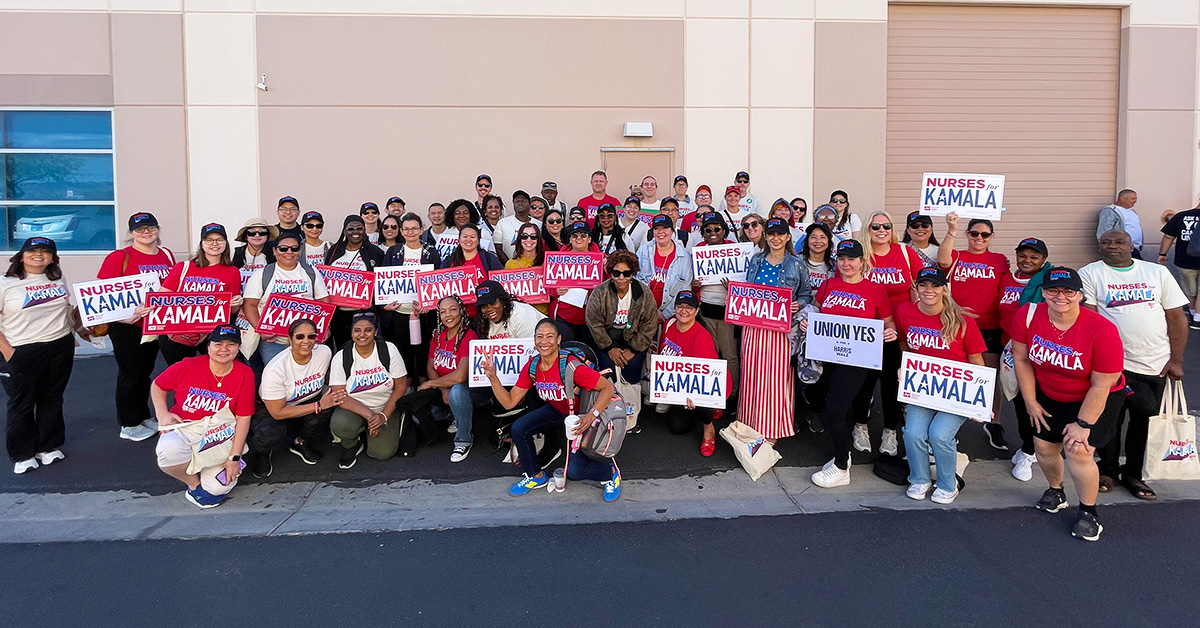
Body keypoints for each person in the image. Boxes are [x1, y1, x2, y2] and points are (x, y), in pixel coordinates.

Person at [1011, 267, 1126, 541]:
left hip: (1095, 396)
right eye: (1053, 290)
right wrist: (1030, 401)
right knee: (1044, 446)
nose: (1060, 296)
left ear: (1080, 295)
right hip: (1050, 391)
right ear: (1043, 292)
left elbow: (1103, 383)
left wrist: (1083, 424)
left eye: (1068, 291)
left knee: (1079, 450)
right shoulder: (1028, 315)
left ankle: (1089, 512)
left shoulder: (1102, 330)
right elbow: (1021, 358)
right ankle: (1056, 490)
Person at [1081, 230, 1189, 501]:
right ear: (1099, 247)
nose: (1112, 247)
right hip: (1113, 366)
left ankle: (1133, 474)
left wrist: (1176, 360)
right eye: (1106, 243)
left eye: (1119, 242)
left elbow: (1175, 317)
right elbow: (1091, 321)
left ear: (1131, 246)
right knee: (1109, 421)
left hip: (1156, 364)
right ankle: (1107, 470)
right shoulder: (1091, 273)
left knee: (1145, 420)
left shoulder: (1157, 273)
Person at [484, 318, 622, 502]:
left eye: (550, 336)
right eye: (539, 336)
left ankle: (611, 472)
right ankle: (536, 476)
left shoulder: (571, 366)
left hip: (580, 416)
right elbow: (509, 402)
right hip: (559, 411)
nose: (544, 341)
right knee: (519, 428)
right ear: (534, 340)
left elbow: (607, 388)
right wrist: (493, 377)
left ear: (558, 340)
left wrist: (591, 416)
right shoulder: (533, 366)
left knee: (575, 471)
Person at [807, 240, 896, 488]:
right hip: (827, 356)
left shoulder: (875, 290)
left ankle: (841, 467)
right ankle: (842, 453)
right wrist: (808, 321)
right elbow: (815, 311)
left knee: (835, 410)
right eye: (842, 259)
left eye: (852, 259)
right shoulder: (828, 285)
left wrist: (890, 333)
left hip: (856, 359)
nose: (846, 264)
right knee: (837, 409)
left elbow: (888, 322)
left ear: (862, 262)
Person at [895, 267, 987, 504]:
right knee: (913, 432)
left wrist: (980, 402)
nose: (929, 290)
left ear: (944, 289)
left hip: (955, 391)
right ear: (916, 288)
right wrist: (905, 366)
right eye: (923, 285)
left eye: (935, 285)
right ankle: (920, 478)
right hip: (923, 387)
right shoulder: (905, 311)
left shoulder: (962, 319)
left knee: (938, 435)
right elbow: (904, 343)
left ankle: (948, 483)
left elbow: (977, 362)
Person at [2, 237, 88, 474]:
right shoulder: (5, 284)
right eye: (33, 250)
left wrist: (84, 324)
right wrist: (9, 352)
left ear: (53, 258)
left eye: (45, 251)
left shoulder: (57, 279)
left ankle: (48, 446)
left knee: (52, 397)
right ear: (21, 256)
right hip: (21, 349)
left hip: (59, 345)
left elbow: (67, 310)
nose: (39, 255)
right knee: (22, 403)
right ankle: (22, 453)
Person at [150, 324, 254, 508]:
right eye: (218, 343)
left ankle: (214, 465)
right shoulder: (188, 365)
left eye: (231, 344)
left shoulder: (244, 373)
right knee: (167, 451)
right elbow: (158, 385)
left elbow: (243, 417)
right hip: (186, 426)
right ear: (208, 346)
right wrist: (162, 414)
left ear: (238, 348)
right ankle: (193, 483)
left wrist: (234, 458)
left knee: (217, 489)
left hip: (220, 433)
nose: (224, 349)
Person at [96, 212, 176, 442]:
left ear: (158, 229)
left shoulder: (167, 254)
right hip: (129, 326)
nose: (146, 232)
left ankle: (143, 415)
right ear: (131, 233)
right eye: (140, 229)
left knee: (145, 372)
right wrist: (125, 317)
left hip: (156, 324)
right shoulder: (119, 257)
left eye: (150, 227)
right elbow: (103, 296)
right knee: (130, 373)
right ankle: (129, 423)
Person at [938, 212, 1010, 451]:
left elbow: (1006, 289)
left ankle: (994, 421)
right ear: (968, 234)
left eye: (985, 234)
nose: (979, 238)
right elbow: (943, 259)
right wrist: (952, 229)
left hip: (990, 325)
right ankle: (950, 427)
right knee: (956, 374)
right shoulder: (958, 256)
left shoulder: (999, 260)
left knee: (990, 376)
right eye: (975, 233)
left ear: (991, 237)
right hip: (959, 324)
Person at [740, 219, 812, 443]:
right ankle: (749, 423)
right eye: (771, 234)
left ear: (788, 237)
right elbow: (748, 290)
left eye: (780, 234)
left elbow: (806, 294)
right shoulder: (757, 260)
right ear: (766, 236)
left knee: (776, 379)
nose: (775, 238)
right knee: (752, 375)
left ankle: (771, 428)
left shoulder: (797, 264)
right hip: (754, 328)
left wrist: (797, 305)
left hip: (782, 330)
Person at [858, 210, 924, 455]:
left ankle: (889, 431)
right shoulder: (861, 255)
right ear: (868, 229)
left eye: (886, 225)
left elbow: (929, 282)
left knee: (891, 382)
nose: (881, 230)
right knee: (864, 382)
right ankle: (860, 426)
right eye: (876, 227)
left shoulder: (905, 252)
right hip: (864, 330)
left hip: (898, 330)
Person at [248, 318, 343, 478]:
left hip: (307, 400)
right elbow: (277, 413)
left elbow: (325, 377)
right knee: (268, 432)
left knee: (330, 404)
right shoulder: (276, 369)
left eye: (311, 336)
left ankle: (301, 442)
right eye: (300, 337)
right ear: (289, 339)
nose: (306, 341)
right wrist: (319, 405)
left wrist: (330, 393)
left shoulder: (324, 352)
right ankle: (263, 453)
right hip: (275, 408)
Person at [997, 237, 1053, 481]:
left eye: (1034, 256)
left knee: (1037, 404)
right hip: (1010, 350)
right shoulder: (1006, 279)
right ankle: (1026, 446)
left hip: (1039, 353)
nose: (1027, 260)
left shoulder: (1049, 283)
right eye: (1023, 255)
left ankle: (1031, 452)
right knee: (1020, 403)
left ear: (1043, 260)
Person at [155, 223, 243, 365]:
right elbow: (161, 298)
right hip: (177, 332)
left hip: (210, 334)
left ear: (226, 243)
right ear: (202, 244)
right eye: (209, 240)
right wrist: (144, 307)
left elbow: (231, 311)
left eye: (220, 239)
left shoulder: (232, 271)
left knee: (214, 373)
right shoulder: (183, 267)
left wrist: (235, 304)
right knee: (180, 376)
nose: (215, 244)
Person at [329, 312, 408, 468]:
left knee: (382, 453)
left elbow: (401, 386)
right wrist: (371, 416)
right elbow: (339, 395)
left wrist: (383, 416)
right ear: (351, 334)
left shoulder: (388, 349)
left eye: (368, 330)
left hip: (385, 406)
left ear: (376, 332)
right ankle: (352, 444)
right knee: (340, 424)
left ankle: (381, 426)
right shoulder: (341, 356)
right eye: (357, 330)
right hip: (355, 409)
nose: (362, 335)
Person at [657, 291, 729, 456]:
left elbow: (707, 381)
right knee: (677, 427)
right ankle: (705, 411)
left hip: (705, 385)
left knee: (702, 400)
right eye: (680, 306)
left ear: (697, 311)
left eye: (689, 307)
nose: (684, 310)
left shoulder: (701, 336)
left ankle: (709, 428)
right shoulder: (669, 325)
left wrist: (692, 395)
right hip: (680, 385)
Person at [242, 233, 330, 365]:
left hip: (306, 341)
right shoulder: (262, 274)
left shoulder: (311, 272)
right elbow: (249, 305)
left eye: (294, 248)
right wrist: (261, 330)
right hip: (275, 342)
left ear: (299, 251)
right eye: (283, 248)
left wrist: (326, 327)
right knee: (278, 377)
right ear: (274, 251)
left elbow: (323, 301)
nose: (289, 252)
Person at [417, 295, 481, 463]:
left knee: (457, 392)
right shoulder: (438, 335)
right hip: (444, 389)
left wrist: (432, 383)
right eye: (443, 311)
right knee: (420, 413)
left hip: (469, 389)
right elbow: (430, 366)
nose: (448, 315)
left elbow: (460, 376)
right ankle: (455, 414)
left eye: (453, 309)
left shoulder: (469, 336)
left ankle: (463, 439)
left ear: (461, 311)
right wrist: (442, 389)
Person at [586, 250, 659, 390]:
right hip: (607, 337)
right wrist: (609, 348)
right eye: (616, 273)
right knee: (608, 367)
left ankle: (631, 405)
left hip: (633, 337)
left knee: (633, 366)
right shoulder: (600, 292)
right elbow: (594, 323)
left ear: (632, 274)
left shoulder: (644, 293)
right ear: (610, 273)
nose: (621, 277)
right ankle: (609, 403)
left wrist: (633, 349)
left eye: (626, 273)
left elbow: (649, 324)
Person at [382, 212, 442, 381]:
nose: (410, 232)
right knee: (403, 349)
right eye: (406, 229)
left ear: (421, 229)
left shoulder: (431, 252)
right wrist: (384, 305)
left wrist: (429, 304)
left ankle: (423, 382)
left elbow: (437, 281)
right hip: (400, 311)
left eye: (414, 228)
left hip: (423, 311)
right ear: (401, 231)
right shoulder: (394, 252)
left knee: (424, 349)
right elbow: (383, 281)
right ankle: (406, 384)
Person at [690, 213, 740, 403]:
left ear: (724, 231)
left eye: (717, 229)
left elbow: (744, 282)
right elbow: (693, 283)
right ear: (703, 233)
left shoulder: (734, 250)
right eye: (708, 230)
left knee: (729, 355)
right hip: (705, 310)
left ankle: (732, 393)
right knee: (710, 354)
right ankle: (712, 392)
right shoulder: (699, 250)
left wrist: (733, 288)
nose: (712, 233)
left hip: (727, 310)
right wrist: (695, 284)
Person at [325, 215, 385, 347]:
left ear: (364, 230)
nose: (355, 232)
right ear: (345, 231)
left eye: (359, 228)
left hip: (364, 313)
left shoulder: (376, 253)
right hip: (339, 314)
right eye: (351, 229)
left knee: (365, 348)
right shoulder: (334, 251)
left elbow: (382, 282)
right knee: (343, 348)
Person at [637, 214, 693, 318]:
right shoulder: (643, 250)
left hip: (670, 314)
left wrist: (664, 315)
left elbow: (685, 288)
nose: (660, 232)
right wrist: (648, 309)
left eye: (665, 228)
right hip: (642, 310)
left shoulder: (684, 256)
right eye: (656, 228)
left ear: (672, 231)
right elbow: (635, 280)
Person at [1158, 198, 1200, 328]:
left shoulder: (1181, 216)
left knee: (1189, 288)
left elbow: (1168, 236)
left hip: (1185, 260)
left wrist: (1162, 254)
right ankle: (1198, 318)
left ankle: (1193, 312)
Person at [506, 222, 550, 315]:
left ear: (538, 240)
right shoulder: (510, 264)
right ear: (520, 239)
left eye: (533, 236)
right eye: (524, 236)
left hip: (543, 313)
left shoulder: (547, 261)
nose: (529, 240)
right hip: (521, 315)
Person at [476, 280, 541, 340]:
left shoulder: (521, 314)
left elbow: (531, 348)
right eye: (484, 306)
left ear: (503, 301)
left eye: (492, 303)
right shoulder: (484, 322)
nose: (489, 309)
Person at [1097, 189, 1142, 259]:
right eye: (1132, 199)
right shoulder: (1111, 211)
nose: (1135, 201)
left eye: (1136, 199)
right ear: (1122, 199)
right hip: (1120, 249)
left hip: (1134, 248)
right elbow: (1104, 231)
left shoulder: (1131, 211)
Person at [496, 190, 541, 260]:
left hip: (533, 266)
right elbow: (498, 248)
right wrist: (509, 265)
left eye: (523, 201)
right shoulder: (502, 223)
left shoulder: (539, 224)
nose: (520, 203)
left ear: (529, 205)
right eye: (517, 201)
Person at [233, 217, 278, 283]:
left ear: (267, 236)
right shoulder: (234, 253)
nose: (257, 235)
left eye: (262, 232)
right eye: (251, 232)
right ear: (246, 236)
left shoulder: (275, 254)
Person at [800, 222, 835, 292]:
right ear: (807, 240)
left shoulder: (835, 266)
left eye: (823, 237)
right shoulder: (796, 261)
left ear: (828, 241)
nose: (818, 241)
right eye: (813, 237)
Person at [479, 194, 505, 259]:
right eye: (490, 207)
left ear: (501, 211)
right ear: (485, 211)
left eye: (496, 207)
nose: (493, 210)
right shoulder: (480, 229)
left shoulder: (506, 226)